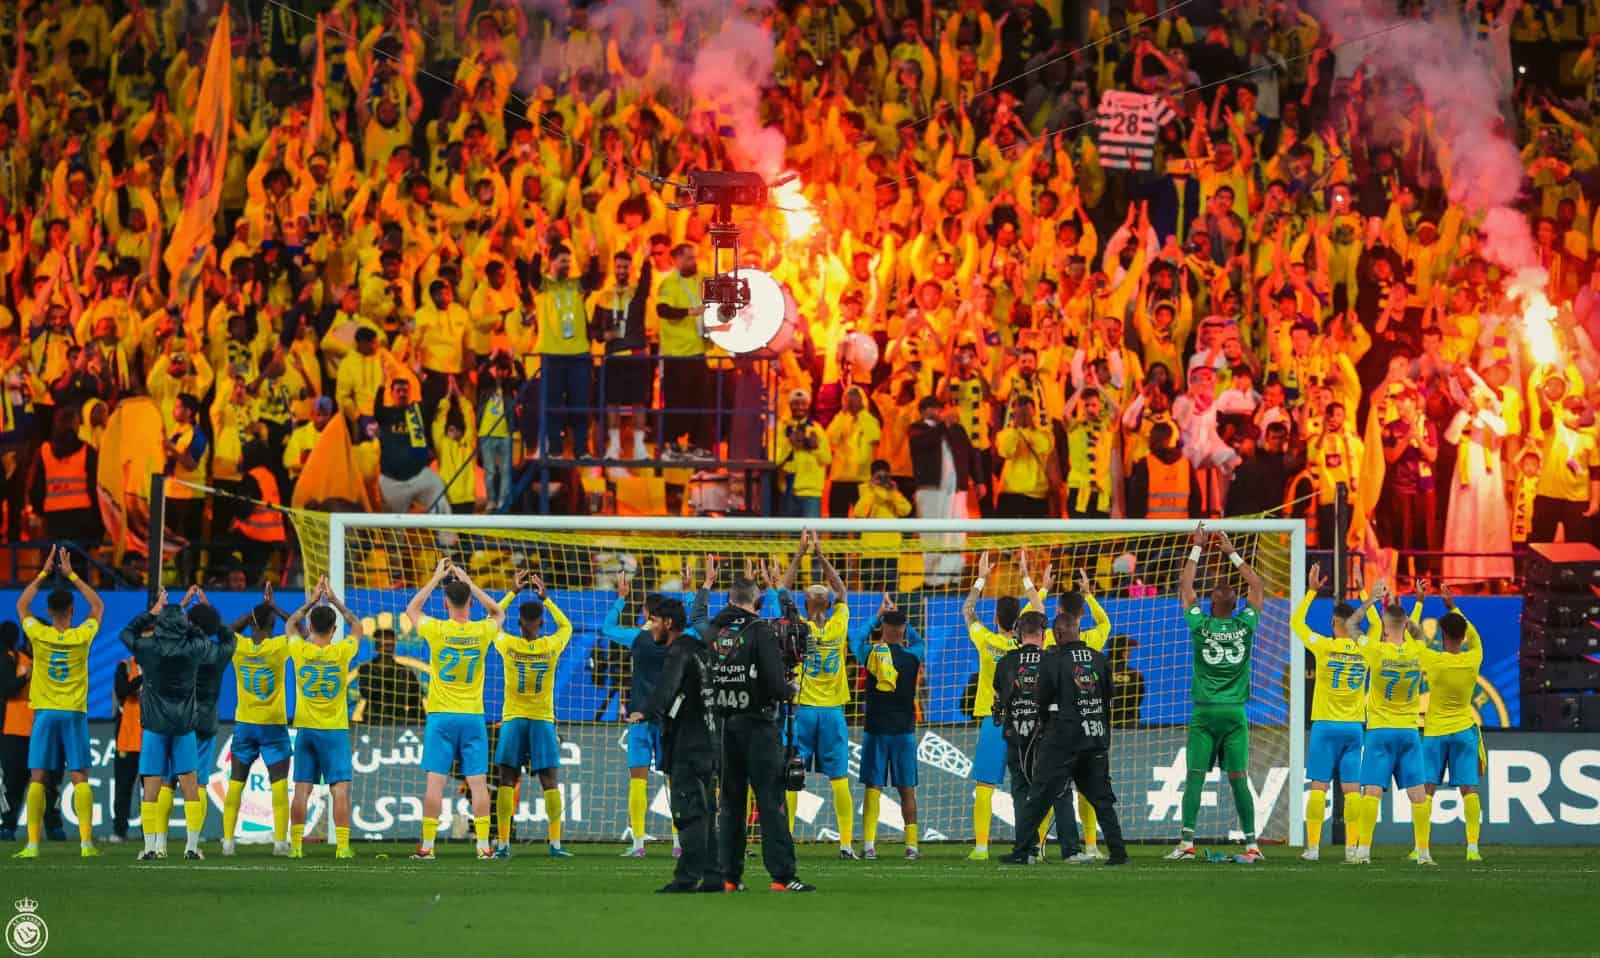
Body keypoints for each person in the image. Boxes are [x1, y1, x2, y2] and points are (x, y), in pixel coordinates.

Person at [691, 557, 813, 892]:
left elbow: (696, 618)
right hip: (758, 726)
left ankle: (729, 876)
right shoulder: (760, 631)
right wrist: (789, 689)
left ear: (730, 599)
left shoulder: (713, 631)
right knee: (771, 801)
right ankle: (782, 877)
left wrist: (706, 584)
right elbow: (775, 682)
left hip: (723, 728)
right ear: (756, 602)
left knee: (730, 803)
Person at [1003, 604, 1129, 867]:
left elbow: (1040, 697)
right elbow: (1110, 697)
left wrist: (1047, 720)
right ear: (1078, 631)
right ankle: (1118, 853)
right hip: (1094, 737)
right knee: (1102, 799)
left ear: (1058, 634)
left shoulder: (1054, 660)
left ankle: (1023, 850)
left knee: (1040, 795)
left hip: (1062, 740)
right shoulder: (1098, 659)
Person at [1169, 524, 1266, 863]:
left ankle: (1187, 843)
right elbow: (1258, 585)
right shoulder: (1245, 625)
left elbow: (1185, 587)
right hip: (1235, 713)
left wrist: (1197, 547)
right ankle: (1252, 844)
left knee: (1195, 776)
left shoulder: (1201, 625)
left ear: (1210, 603)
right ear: (1237, 604)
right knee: (1239, 778)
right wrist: (1231, 553)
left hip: (1205, 712)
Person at [120, 587, 232, 862]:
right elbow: (218, 638)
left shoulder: (147, 649)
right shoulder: (194, 649)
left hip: (155, 728)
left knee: (152, 789)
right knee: (191, 787)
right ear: (184, 626)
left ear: (159, 624)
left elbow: (127, 633)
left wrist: (153, 612)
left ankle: (150, 848)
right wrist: (200, 614)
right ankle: (192, 847)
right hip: (184, 727)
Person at [405, 558, 504, 860]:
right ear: (470, 602)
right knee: (479, 783)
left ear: (445, 603)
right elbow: (498, 612)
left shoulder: (436, 629)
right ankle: (484, 846)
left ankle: (427, 846)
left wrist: (437, 578)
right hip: (472, 717)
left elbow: (412, 609)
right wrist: (469, 581)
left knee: (435, 783)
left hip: (441, 717)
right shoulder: (482, 630)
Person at [10, 546, 102, 859]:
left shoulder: (38, 634)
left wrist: (43, 573)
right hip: (74, 713)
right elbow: (98, 605)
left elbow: (22, 604)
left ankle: (32, 845)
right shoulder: (82, 636)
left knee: (38, 776)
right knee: (79, 776)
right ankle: (86, 844)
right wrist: (72, 574)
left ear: (48, 612)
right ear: (72, 611)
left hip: (45, 713)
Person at [1294, 563, 1379, 863]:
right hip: (1354, 728)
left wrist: (1311, 592)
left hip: (1325, 727)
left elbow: (1296, 623)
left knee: (1318, 786)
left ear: (1332, 622)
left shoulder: (1323, 646)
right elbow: (1377, 626)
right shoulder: (1367, 648)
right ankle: (1352, 849)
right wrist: (1365, 593)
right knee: (1353, 790)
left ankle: (1313, 849)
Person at [778, 531, 855, 858]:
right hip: (833, 711)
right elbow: (843, 591)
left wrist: (800, 555)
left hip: (804, 711)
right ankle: (846, 844)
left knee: (792, 775)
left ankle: (787, 840)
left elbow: (782, 591)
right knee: (839, 779)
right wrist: (821, 556)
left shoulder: (799, 627)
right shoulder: (839, 624)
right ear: (829, 604)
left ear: (807, 604)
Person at [636, 597, 720, 893]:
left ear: (668, 623)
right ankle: (714, 876)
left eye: (654, 621)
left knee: (688, 810)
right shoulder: (700, 649)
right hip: (710, 740)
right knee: (707, 811)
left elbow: (667, 689)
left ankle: (686, 878)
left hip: (688, 742)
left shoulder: (679, 651)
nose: (651, 627)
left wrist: (647, 712)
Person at [493, 570, 576, 860]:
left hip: (514, 719)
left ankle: (503, 844)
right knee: (549, 780)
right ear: (541, 622)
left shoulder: (508, 644)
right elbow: (566, 626)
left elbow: (491, 621)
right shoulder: (550, 645)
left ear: (518, 622)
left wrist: (512, 592)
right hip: (542, 719)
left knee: (506, 779)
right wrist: (547, 599)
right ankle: (555, 843)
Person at [1347, 582, 1431, 866]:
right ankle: (1423, 853)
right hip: (1409, 731)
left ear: (1384, 627)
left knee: (1371, 792)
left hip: (1380, 731)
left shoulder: (1375, 651)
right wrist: (1418, 603)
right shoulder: (1418, 650)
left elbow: (1351, 625)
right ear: (1405, 624)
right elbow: (1419, 634)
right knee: (1418, 794)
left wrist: (1371, 599)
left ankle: (1363, 851)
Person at [287, 577, 365, 860]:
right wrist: (334, 601)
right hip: (334, 730)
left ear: (310, 627)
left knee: (302, 790)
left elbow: (289, 624)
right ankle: (342, 847)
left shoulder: (300, 650)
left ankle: (296, 847)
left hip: (306, 729)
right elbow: (358, 627)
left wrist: (310, 602)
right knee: (339, 789)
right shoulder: (341, 651)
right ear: (334, 630)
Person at [602, 575, 679, 859]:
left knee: (638, 780)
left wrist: (621, 598)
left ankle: (638, 844)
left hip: (639, 717)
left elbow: (607, 628)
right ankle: (679, 843)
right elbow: (699, 629)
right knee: (674, 781)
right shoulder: (677, 639)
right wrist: (690, 593)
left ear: (646, 612)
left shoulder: (637, 637)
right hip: (669, 718)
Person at [991, 610, 1076, 862]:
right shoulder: (1054, 659)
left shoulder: (1005, 662)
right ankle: (1070, 850)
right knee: (1060, 792)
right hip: (1050, 735)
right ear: (1043, 634)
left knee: (1021, 793)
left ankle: (1026, 850)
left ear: (1018, 634)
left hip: (1017, 734)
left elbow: (998, 698)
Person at [850, 596, 924, 861]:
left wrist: (878, 616)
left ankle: (870, 846)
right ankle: (912, 846)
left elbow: (855, 639)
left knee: (873, 788)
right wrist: (902, 623)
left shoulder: (870, 654)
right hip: (904, 731)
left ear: (883, 628)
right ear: (903, 630)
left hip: (876, 730)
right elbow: (917, 640)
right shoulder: (914, 655)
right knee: (907, 790)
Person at [1417, 581, 1486, 863]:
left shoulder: (1434, 660)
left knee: (1427, 790)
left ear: (1442, 634)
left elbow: (1410, 638)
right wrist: (1453, 607)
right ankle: (1473, 849)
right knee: (1469, 790)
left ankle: (1421, 849)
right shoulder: (1473, 658)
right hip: (1462, 731)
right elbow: (1475, 635)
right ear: (1462, 636)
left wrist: (1420, 601)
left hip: (1435, 733)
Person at [222, 588, 292, 856]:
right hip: (273, 726)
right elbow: (301, 631)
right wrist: (275, 607)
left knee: (236, 782)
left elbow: (226, 631)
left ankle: (228, 842)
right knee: (278, 783)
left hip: (246, 724)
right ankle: (280, 843)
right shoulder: (278, 647)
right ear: (273, 624)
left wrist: (252, 614)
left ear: (251, 623)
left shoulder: (239, 647)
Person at [169, 589, 237, 857]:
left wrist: (183, 607)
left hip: (178, 719)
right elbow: (230, 637)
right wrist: (212, 614)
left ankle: (158, 845)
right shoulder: (220, 652)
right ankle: (192, 844)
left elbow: (168, 629)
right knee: (198, 784)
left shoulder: (178, 649)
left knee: (167, 781)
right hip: (206, 722)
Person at [375, 378, 450, 515]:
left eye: (405, 390)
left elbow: (431, 400)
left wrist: (422, 377)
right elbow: (377, 409)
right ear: (391, 393)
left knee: (439, 493)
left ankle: (446, 530)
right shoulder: (386, 414)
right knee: (393, 525)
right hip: (392, 481)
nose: (402, 394)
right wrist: (382, 384)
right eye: (398, 391)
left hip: (419, 476)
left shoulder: (417, 411)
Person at [355, 617, 425, 726]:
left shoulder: (405, 673)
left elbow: (416, 701)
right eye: (384, 643)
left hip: (399, 723)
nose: (388, 647)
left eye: (390, 644)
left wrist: (412, 723)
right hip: (373, 722)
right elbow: (367, 693)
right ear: (377, 646)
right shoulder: (366, 670)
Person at [111, 644, 142, 843]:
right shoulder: (125, 666)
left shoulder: (160, 666)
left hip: (152, 738)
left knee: (152, 789)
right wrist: (141, 679)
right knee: (123, 787)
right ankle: (119, 831)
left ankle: (152, 833)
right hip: (127, 738)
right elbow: (121, 691)